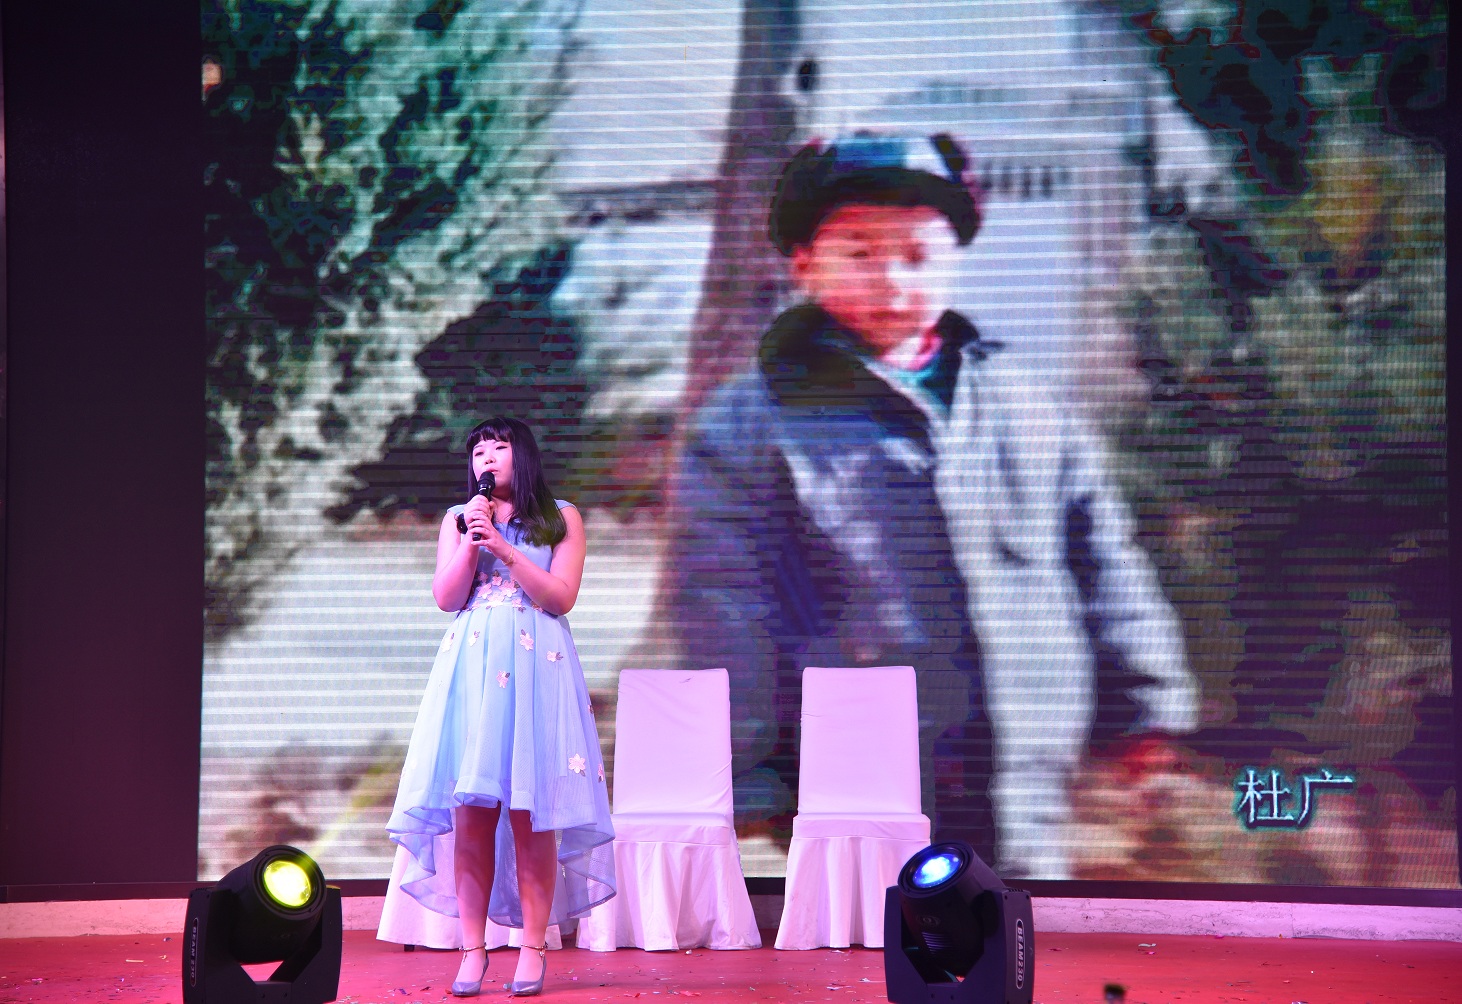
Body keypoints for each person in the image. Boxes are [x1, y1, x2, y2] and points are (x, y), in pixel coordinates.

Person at [667, 133, 1198, 879]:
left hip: (1026, 772)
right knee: (873, 936)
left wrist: (1144, 702)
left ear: (956, 261)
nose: (891, 279)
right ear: (803, 265)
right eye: (859, 253)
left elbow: (1103, 555)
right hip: (855, 779)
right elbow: (724, 604)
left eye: (918, 255)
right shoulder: (747, 425)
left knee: (1020, 929)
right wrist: (748, 771)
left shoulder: (1027, 408)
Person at [387, 417, 614, 997]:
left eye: (499, 447)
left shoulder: (561, 517)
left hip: (539, 668)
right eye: (478, 452)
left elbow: (561, 597)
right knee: (471, 814)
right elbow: (446, 598)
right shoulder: (458, 518)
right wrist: (472, 539)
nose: (486, 458)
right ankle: (472, 949)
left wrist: (506, 551)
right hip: (472, 669)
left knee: (531, 816)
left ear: (523, 454)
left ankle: (533, 947)